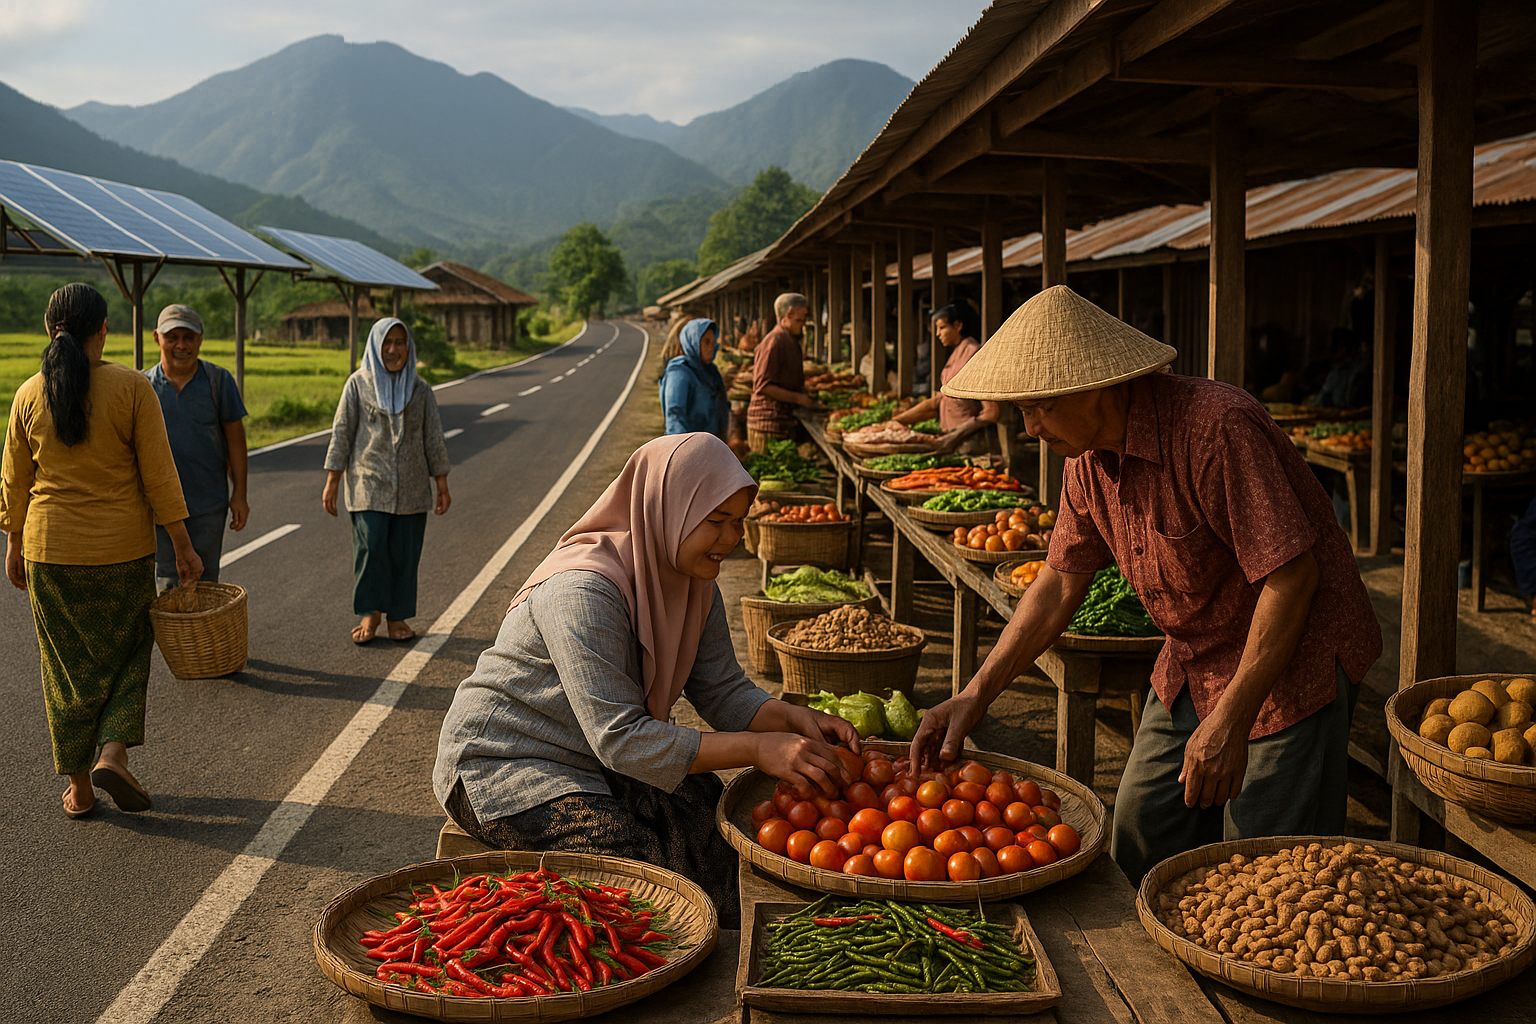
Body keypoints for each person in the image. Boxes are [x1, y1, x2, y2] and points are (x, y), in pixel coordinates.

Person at [911, 285, 1381, 883]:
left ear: (1096, 387)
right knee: (1139, 830)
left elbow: (1292, 578)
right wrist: (974, 694)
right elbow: (1058, 584)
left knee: (1271, 868)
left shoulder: (1216, 428)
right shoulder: (1084, 462)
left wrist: (1230, 722)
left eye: (1040, 407)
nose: (1028, 428)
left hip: (1292, 661)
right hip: (1193, 657)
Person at [433, 433, 859, 924]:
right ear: (666, 510)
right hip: (510, 766)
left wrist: (793, 719)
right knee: (643, 881)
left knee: (711, 819)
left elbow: (722, 690)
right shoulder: (583, 591)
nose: (732, 539)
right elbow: (622, 739)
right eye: (716, 522)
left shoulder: (693, 582)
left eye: (739, 522)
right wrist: (759, 748)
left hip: (597, 758)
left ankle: (729, 942)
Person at [1, 283, 203, 819]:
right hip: (122, 552)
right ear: (103, 331)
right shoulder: (133, 388)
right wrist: (183, 546)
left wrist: (14, 543)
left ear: (50, 331)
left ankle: (80, 788)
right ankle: (112, 754)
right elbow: (160, 474)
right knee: (130, 654)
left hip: (50, 552)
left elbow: (14, 483)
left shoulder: (26, 395)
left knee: (63, 668)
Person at [322, 318, 451, 644]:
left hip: (411, 487)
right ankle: (370, 611)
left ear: (409, 347)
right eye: (386, 343)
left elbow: (433, 438)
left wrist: (442, 483)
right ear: (375, 346)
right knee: (371, 548)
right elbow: (342, 432)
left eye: (400, 342)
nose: (393, 349)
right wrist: (333, 480)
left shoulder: (420, 390)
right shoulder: (358, 384)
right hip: (368, 484)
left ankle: (397, 616)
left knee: (404, 554)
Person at [145, 304, 249, 592]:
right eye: (172, 337)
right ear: (157, 338)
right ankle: (174, 639)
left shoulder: (218, 381)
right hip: (158, 509)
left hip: (208, 505)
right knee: (167, 581)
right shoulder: (143, 386)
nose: (181, 345)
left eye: (188, 337)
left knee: (204, 581)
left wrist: (239, 493)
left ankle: (199, 638)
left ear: (200, 339)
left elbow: (236, 440)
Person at [891, 302, 999, 453]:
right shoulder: (956, 354)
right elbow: (940, 400)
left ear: (958, 325)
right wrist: (900, 419)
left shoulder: (974, 353)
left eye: (942, 327)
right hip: (952, 441)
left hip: (972, 443)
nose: (937, 334)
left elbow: (991, 413)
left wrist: (954, 436)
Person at [746, 293, 816, 453]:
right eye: (800, 320)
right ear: (789, 314)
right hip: (767, 424)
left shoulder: (789, 339)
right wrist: (799, 398)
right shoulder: (775, 341)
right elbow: (762, 386)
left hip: (781, 422)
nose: (803, 324)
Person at [659, 318, 729, 439]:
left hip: (711, 445)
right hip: (689, 446)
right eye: (706, 342)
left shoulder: (711, 372)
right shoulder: (680, 373)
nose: (711, 347)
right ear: (694, 342)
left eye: (713, 342)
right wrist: (685, 450)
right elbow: (675, 416)